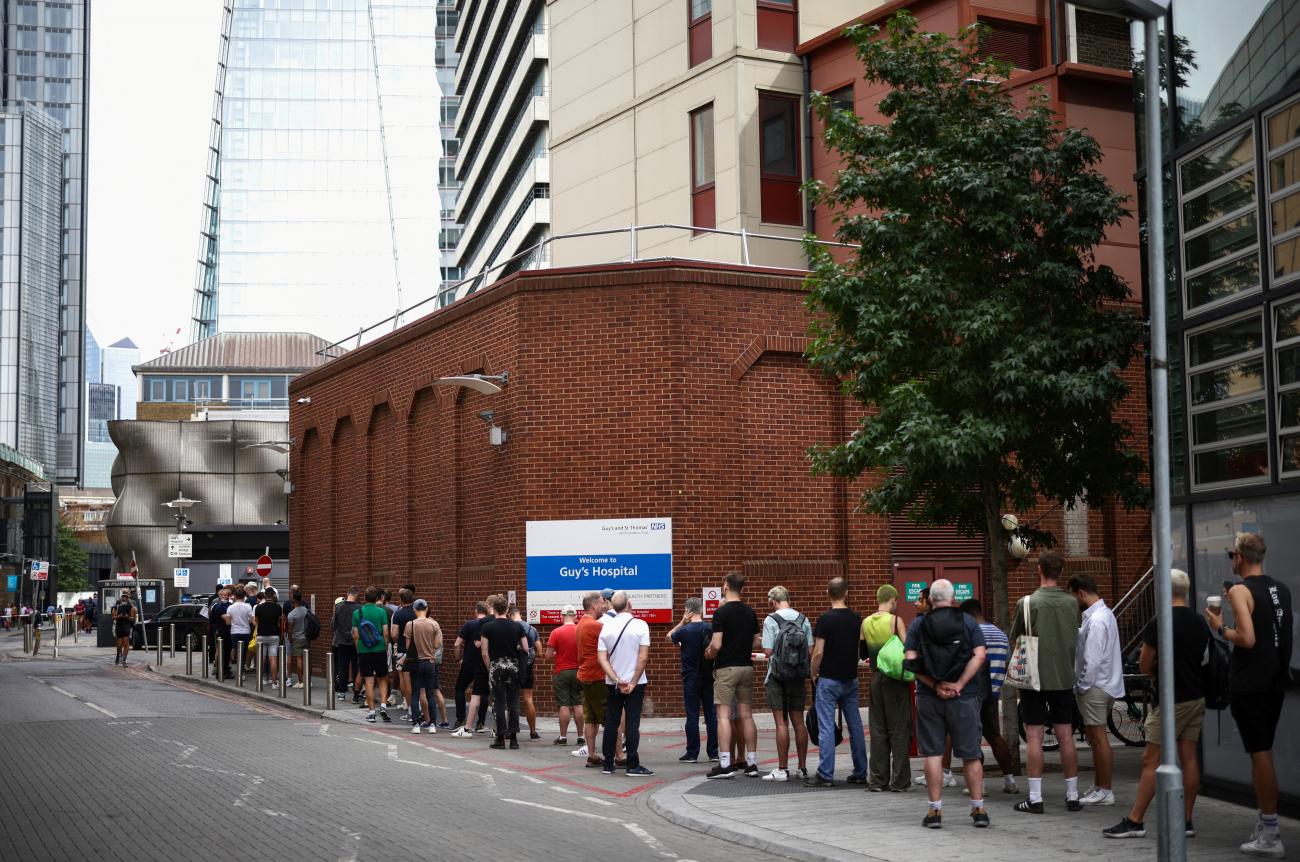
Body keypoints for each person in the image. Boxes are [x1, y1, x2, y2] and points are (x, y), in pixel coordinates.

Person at [1205, 531, 1294, 858]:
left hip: (1250, 684)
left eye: (1232, 554)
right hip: (1274, 682)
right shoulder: (1280, 589)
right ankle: (1266, 823)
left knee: (1260, 755)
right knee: (1264, 751)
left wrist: (1218, 626)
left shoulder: (1241, 590)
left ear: (1240, 557)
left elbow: (1246, 637)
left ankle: (1270, 832)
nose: (1231, 559)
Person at [1104, 568, 1209, 841]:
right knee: (1188, 757)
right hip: (1195, 696)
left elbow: (1145, 662)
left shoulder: (1160, 621)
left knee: (1151, 760)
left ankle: (1135, 820)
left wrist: (1155, 674)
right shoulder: (1199, 621)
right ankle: (1186, 820)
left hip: (1170, 699)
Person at [906, 579, 988, 829]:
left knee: (933, 753)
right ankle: (978, 809)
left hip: (930, 698)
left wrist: (935, 685)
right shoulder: (968, 622)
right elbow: (980, 654)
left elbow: (910, 660)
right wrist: (960, 684)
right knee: (971, 754)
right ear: (953, 600)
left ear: (930, 599)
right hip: (964, 697)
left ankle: (935, 811)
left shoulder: (919, 625)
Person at [1011, 550, 1082, 814]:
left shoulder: (1027, 603)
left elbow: (1016, 637)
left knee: (1033, 736)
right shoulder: (1072, 603)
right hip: (1064, 675)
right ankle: (1073, 795)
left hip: (1034, 678)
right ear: (1060, 572)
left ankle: (1035, 797)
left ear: (1039, 569)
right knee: (1066, 735)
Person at [805, 577, 869, 788]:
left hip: (829, 679)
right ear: (846, 593)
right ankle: (860, 771)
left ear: (827, 593)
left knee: (826, 726)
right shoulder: (856, 618)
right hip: (850, 679)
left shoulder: (825, 619)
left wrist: (813, 673)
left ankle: (825, 774)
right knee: (856, 725)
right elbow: (859, 648)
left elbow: (818, 652)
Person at [1068, 573, 1124, 806]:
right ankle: (1100, 786)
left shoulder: (1097, 619)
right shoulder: (1102, 615)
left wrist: (1081, 686)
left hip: (1095, 686)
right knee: (1095, 738)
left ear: (1081, 593)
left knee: (1098, 739)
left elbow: (1092, 659)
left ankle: (1105, 790)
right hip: (1103, 684)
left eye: (1073, 596)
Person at [959, 598, 1018, 794]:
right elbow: (1008, 661)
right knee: (994, 736)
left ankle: (979, 784)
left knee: (973, 737)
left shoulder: (970, 633)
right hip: (993, 692)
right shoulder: (1001, 635)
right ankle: (1010, 780)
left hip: (972, 692)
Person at [705, 572, 760, 779]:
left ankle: (726, 764)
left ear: (725, 587)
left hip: (726, 669)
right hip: (746, 667)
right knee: (746, 715)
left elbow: (716, 644)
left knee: (723, 716)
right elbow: (757, 642)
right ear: (742, 589)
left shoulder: (721, 613)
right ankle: (752, 763)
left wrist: (709, 652)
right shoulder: (750, 611)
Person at [597, 591, 654, 776]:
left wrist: (615, 679)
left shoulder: (605, 626)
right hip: (636, 683)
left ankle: (607, 763)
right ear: (629, 604)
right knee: (632, 722)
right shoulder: (641, 625)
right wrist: (633, 682)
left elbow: (602, 659)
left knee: (612, 721)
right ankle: (632, 764)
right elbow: (643, 658)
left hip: (612, 683)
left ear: (613, 605)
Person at [862, 584, 912, 792]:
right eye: (896, 601)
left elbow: (862, 651)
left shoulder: (865, 622)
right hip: (895, 680)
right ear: (892, 599)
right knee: (899, 729)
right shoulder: (894, 621)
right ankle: (899, 781)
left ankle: (877, 780)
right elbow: (907, 648)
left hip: (876, 678)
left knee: (878, 729)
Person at [760, 585, 812, 782]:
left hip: (777, 676)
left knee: (781, 722)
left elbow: (767, 651)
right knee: (799, 722)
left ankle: (782, 769)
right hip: (798, 676)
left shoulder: (771, 620)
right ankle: (802, 768)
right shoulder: (803, 619)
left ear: (773, 601)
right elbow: (809, 649)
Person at [667, 597, 718, 763]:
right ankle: (713, 752)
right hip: (709, 676)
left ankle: (692, 752)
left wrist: (682, 621)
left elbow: (669, 636)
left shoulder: (685, 630)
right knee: (711, 714)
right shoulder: (710, 628)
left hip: (690, 676)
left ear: (687, 610)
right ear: (701, 610)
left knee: (692, 714)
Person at [480, 594, 529, 749]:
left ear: (494, 609)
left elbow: (484, 652)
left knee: (499, 703)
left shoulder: (487, 627)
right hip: (513, 667)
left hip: (496, 666)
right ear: (507, 609)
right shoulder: (517, 626)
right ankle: (514, 739)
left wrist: (490, 668)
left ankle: (500, 739)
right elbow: (526, 648)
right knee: (513, 702)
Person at [574, 592, 608, 766]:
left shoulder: (581, 623)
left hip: (585, 675)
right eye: (603, 602)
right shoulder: (596, 626)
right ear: (594, 605)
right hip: (597, 677)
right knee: (609, 718)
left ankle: (592, 755)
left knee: (591, 718)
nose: (605, 605)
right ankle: (617, 755)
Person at [352, 586, 392, 723]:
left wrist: (359, 650)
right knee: (383, 679)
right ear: (376, 598)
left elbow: (355, 635)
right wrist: (385, 647)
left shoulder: (357, 613)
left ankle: (371, 712)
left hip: (364, 651)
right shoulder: (381, 612)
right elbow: (386, 633)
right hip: (379, 650)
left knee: (368, 681)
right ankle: (384, 706)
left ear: (364, 597)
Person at [451, 601, 491, 737]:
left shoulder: (469, 624)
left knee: (460, 688)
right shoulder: (489, 625)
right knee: (483, 692)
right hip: (483, 663)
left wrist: (458, 659)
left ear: (476, 611)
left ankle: (461, 719)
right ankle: (481, 723)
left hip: (468, 663)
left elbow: (457, 644)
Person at [546, 605, 584, 746]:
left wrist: (558, 653)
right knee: (578, 703)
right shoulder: (581, 631)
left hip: (561, 672)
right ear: (575, 616)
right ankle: (581, 736)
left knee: (564, 705)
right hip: (578, 671)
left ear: (562, 616)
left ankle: (563, 737)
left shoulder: (556, 632)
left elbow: (548, 656)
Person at [407, 598, 443, 734]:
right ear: (426, 609)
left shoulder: (410, 625)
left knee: (416, 694)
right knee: (430, 694)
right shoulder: (434, 624)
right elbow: (437, 644)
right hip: (430, 662)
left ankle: (416, 724)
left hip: (415, 662)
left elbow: (407, 646)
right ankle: (432, 724)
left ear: (415, 610)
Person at [509, 605, 541, 740]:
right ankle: (533, 731)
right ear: (519, 614)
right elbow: (539, 651)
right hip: (527, 668)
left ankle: (511, 731)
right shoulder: (532, 629)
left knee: (511, 699)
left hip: (512, 667)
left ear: (510, 615)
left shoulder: (509, 628)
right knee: (528, 699)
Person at [332, 586, 362, 703]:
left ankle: (341, 692)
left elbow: (333, 625)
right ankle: (356, 691)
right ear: (357, 594)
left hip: (341, 641)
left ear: (348, 593)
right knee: (356, 667)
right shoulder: (360, 608)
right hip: (356, 642)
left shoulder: (338, 607)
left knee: (342, 667)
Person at [390, 588, 417, 713]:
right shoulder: (418, 612)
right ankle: (415, 702)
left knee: (403, 677)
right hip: (418, 649)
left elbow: (394, 633)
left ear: (401, 600)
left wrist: (397, 640)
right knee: (415, 677)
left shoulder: (398, 614)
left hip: (402, 649)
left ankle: (406, 701)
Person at [253, 586, 283, 684]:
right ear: (273, 595)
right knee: (273, 659)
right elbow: (279, 620)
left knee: (261, 659)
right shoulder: (278, 607)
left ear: (265, 596)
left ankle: (260, 680)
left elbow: (256, 621)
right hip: (274, 635)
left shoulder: (258, 607)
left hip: (261, 635)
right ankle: (274, 682)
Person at [224, 589, 255, 674]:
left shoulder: (230, 607)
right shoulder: (248, 606)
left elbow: (227, 623)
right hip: (246, 631)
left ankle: (239, 670)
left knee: (237, 651)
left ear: (235, 596)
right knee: (244, 651)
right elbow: (251, 621)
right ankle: (242, 669)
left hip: (234, 632)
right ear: (244, 596)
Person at [285, 591, 310, 687]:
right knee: (307, 659)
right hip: (306, 637)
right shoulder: (305, 610)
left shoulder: (292, 614)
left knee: (299, 659)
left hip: (297, 638)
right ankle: (308, 680)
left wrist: (290, 639)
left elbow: (290, 629)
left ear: (294, 599)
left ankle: (300, 681)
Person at [210, 588, 233, 676]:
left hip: (225, 631)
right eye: (224, 595)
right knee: (223, 652)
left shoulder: (229, 605)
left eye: (227, 595)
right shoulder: (219, 606)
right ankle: (222, 671)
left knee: (225, 652)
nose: (225, 597)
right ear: (220, 596)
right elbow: (228, 621)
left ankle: (223, 670)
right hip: (222, 631)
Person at [112, 590, 135, 666]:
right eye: (123, 596)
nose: (124, 598)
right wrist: (120, 616)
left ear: (128, 597)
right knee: (119, 645)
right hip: (119, 626)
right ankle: (118, 655)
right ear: (121, 597)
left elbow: (132, 618)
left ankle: (124, 660)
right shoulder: (117, 605)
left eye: (126, 596)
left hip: (126, 626)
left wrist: (127, 617)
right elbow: (113, 617)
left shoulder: (131, 605)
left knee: (126, 644)